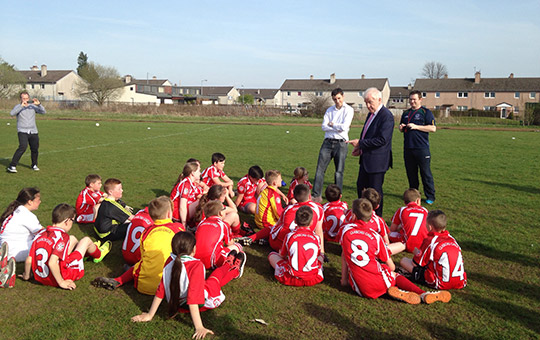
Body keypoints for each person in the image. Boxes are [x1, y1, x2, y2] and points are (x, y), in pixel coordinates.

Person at [131, 232, 246, 340]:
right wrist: (199, 327)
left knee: (214, 281)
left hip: (177, 302)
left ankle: (230, 265)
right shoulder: (196, 265)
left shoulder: (169, 261)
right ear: (194, 249)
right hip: (193, 303)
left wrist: (150, 315)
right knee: (215, 280)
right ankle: (232, 268)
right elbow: (193, 298)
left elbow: (161, 289)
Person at [340, 199, 451, 304]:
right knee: (393, 273)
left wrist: (344, 280)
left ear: (353, 215)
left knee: (360, 275)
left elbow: (344, 254)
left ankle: (395, 291)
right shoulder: (376, 237)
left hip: (361, 288)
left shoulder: (345, 230)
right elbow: (392, 266)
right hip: (379, 280)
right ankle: (421, 293)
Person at [92, 196, 184, 295]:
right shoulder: (178, 228)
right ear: (169, 213)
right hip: (165, 287)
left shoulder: (147, 231)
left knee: (144, 261)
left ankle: (119, 280)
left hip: (141, 284)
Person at [21, 204, 110, 290]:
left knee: (73, 239)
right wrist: (61, 282)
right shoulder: (62, 237)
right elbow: (52, 262)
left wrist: (27, 275)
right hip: (61, 276)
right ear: (67, 221)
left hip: (42, 278)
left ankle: (86, 254)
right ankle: (98, 254)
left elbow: (29, 258)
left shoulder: (40, 234)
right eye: (73, 220)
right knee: (86, 240)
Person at [348, 87, 394, 217]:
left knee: (375, 193)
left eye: (370, 102)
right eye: (366, 102)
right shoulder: (371, 114)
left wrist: (361, 143)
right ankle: (362, 215)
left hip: (377, 162)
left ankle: (377, 219)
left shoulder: (386, 116)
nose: (368, 105)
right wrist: (360, 148)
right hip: (366, 159)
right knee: (361, 187)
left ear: (379, 100)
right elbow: (367, 134)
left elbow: (382, 140)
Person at [400, 210, 467, 290]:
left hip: (439, 283)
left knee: (404, 261)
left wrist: (416, 252)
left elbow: (415, 264)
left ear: (430, 227)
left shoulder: (430, 241)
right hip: (461, 282)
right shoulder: (453, 240)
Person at [312, 88, 354, 202]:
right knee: (320, 169)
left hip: (341, 143)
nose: (337, 101)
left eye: (339, 98)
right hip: (327, 142)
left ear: (343, 97)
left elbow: (344, 127)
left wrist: (332, 124)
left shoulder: (349, 110)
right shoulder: (329, 110)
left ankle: (337, 197)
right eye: (335, 99)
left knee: (339, 171)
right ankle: (316, 195)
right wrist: (336, 126)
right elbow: (324, 126)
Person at [268, 206, 324, 286]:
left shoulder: (289, 236)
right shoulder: (316, 238)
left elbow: (282, 255)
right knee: (321, 256)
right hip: (313, 279)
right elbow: (317, 256)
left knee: (272, 255)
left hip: (291, 278)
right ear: (311, 222)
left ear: (294, 221)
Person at [399, 90, 437, 204]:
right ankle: (414, 197)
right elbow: (401, 128)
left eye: (414, 99)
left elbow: (433, 128)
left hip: (421, 148)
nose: (412, 101)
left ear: (420, 99)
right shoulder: (405, 113)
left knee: (425, 173)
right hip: (408, 148)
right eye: (410, 99)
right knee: (411, 174)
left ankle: (430, 196)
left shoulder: (426, 112)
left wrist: (416, 126)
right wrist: (401, 128)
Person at [194, 201, 243, 270]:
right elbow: (229, 243)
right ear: (220, 213)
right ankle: (233, 266)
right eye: (224, 209)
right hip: (212, 262)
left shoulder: (201, 223)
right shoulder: (223, 225)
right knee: (238, 246)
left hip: (196, 260)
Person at [0, 188, 43, 262]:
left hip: (7, 249)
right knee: (46, 242)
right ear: (30, 202)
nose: (40, 202)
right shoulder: (27, 215)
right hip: (14, 252)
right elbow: (43, 233)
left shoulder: (15, 211)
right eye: (38, 200)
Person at [7, 92, 46, 173]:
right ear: (20, 99)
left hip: (33, 131)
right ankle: (12, 166)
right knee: (23, 147)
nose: (25, 100)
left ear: (29, 98)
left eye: (26, 98)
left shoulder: (33, 106)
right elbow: (12, 113)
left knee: (35, 149)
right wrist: (22, 106)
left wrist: (39, 104)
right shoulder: (18, 106)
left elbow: (43, 112)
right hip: (22, 131)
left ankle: (34, 165)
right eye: (23, 98)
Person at [94, 178, 134, 245]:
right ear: (110, 192)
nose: (122, 190)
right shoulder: (113, 206)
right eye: (119, 189)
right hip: (106, 235)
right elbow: (132, 218)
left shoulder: (105, 200)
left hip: (97, 231)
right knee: (133, 225)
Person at [389, 188, 429, 254]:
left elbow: (393, 229)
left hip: (407, 243)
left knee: (387, 232)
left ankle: (384, 249)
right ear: (418, 201)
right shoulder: (425, 210)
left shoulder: (402, 210)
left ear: (405, 202)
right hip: (423, 244)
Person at [170, 162, 202, 227]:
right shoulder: (186, 184)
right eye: (199, 171)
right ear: (192, 173)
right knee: (203, 202)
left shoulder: (191, 183)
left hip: (184, 211)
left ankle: (195, 225)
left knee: (205, 200)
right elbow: (182, 207)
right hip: (177, 214)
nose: (200, 173)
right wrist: (183, 224)